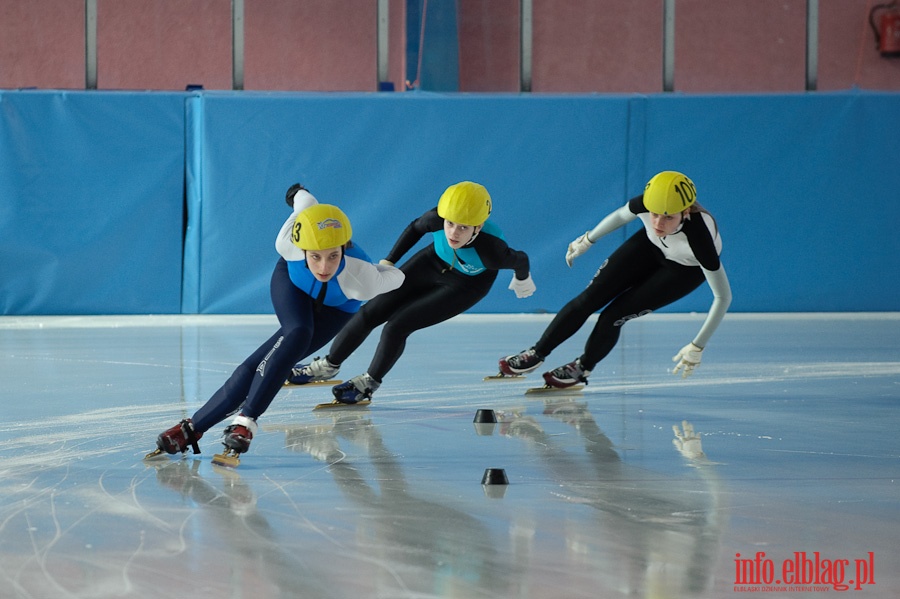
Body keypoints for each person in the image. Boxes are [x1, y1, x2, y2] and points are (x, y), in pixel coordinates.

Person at [150, 184, 405, 458]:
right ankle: (244, 423)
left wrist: (384, 268)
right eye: (315, 256)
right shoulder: (287, 243)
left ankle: (194, 428)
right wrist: (296, 192)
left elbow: (398, 277)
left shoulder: (362, 279)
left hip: (337, 307)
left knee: (273, 357)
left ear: (344, 248)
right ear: (302, 248)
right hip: (292, 283)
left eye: (333, 256)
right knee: (298, 331)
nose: (323, 267)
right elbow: (305, 202)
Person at [289, 181, 535, 404]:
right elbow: (414, 229)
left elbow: (520, 259)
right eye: (450, 224)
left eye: (463, 228)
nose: (453, 233)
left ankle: (369, 383)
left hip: (466, 285)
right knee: (371, 311)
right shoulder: (437, 217)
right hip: (431, 261)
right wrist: (390, 260)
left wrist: (522, 279)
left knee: (398, 325)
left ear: (479, 227)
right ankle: (328, 365)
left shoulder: (491, 250)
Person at [499, 171, 731, 388]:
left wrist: (698, 345)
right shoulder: (649, 203)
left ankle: (583, 367)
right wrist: (588, 240)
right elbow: (622, 215)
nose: (658, 223)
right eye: (654, 214)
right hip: (650, 246)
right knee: (588, 299)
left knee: (613, 316)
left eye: (668, 217)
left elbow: (723, 297)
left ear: (686, 212)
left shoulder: (700, 239)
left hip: (684, 270)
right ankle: (536, 353)